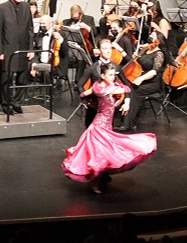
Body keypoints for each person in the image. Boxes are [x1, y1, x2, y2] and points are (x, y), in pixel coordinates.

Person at [63, 63, 157, 194]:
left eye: (114, 75)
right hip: (100, 126)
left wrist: (89, 102)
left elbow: (83, 93)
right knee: (100, 155)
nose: (113, 78)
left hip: (105, 124)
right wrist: (118, 86)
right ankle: (94, 183)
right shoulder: (109, 89)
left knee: (104, 153)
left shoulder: (98, 87)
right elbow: (127, 89)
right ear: (102, 75)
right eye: (110, 75)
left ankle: (101, 178)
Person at [0, 0, 34, 115]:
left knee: (23, 78)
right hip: (8, 49)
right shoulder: (3, 8)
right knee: (7, 78)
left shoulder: (26, 6)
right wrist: (0, 52)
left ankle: (17, 102)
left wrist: (30, 49)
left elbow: (30, 29)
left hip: (23, 48)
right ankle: (6, 103)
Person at [116, 35, 165, 132]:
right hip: (139, 79)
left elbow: (154, 71)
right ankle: (123, 120)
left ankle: (128, 123)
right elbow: (137, 64)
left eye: (152, 35)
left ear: (157, 40)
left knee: (132, 91)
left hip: (151, 83)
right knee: (127, 88)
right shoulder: (146, 50)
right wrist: (135, 57)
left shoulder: (159, 54)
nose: (150, 36)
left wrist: (141, 78)